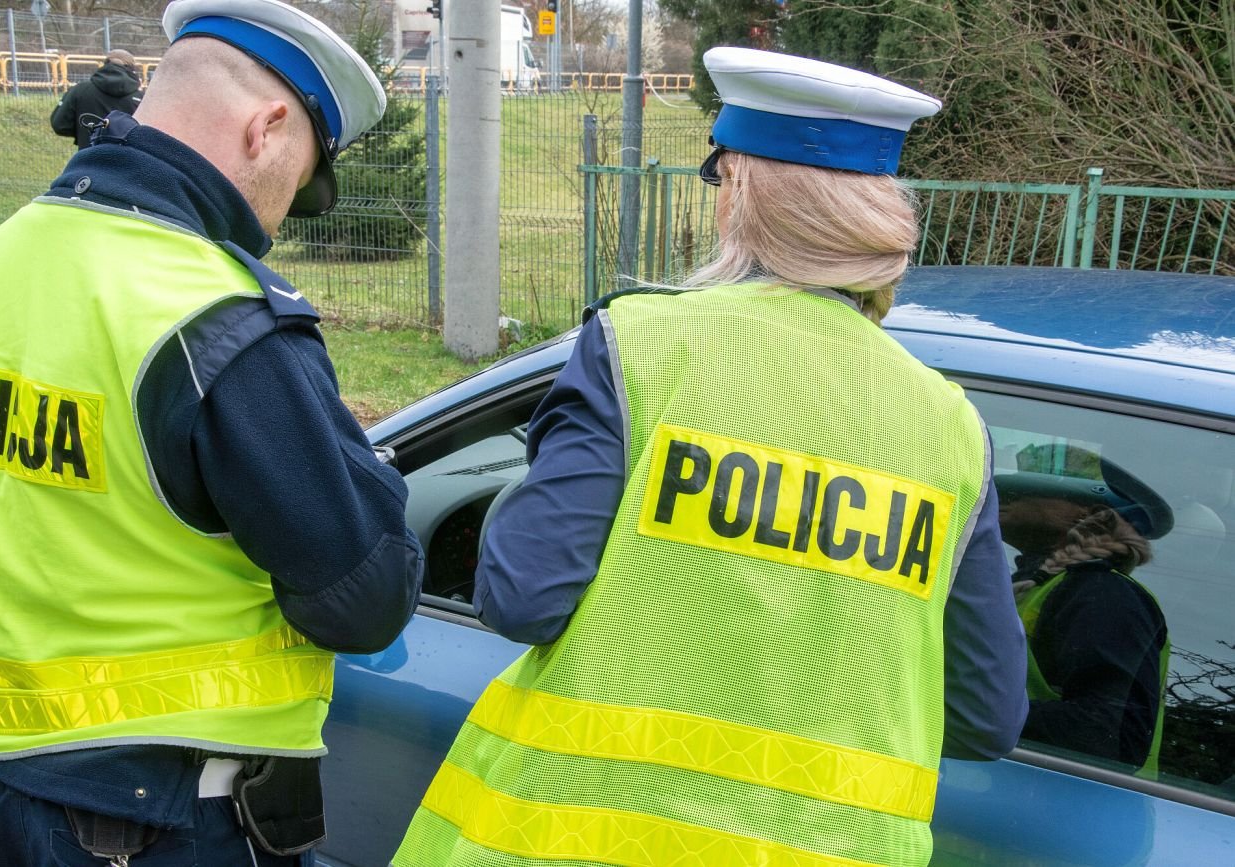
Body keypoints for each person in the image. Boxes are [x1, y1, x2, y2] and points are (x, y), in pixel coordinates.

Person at [392, 47, 1027, 867]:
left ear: (739, 197)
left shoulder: (641, 348)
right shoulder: (949, 428)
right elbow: (984, 713)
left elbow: (521, 597)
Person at [0, 0, 423, 864]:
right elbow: (364, 594)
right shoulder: (213, 317)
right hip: (166, 816)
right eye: (300, 179)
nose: (279, 220)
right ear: (268, 126)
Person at [1000, 444, 1171, 775]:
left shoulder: (1103, 595)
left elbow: (1104, 735)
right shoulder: (1037, 587)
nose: (1004, 495)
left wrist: (957, 708)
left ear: (1087, 513)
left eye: (1024, 488)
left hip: (1060, 814)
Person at [50, 48, 144, 147]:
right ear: (131, 68)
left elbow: (59, 125)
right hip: (127, 158)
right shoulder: (141, 98)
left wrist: (84, 132)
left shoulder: (80, 90)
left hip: (89, 156)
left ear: (105, 63)